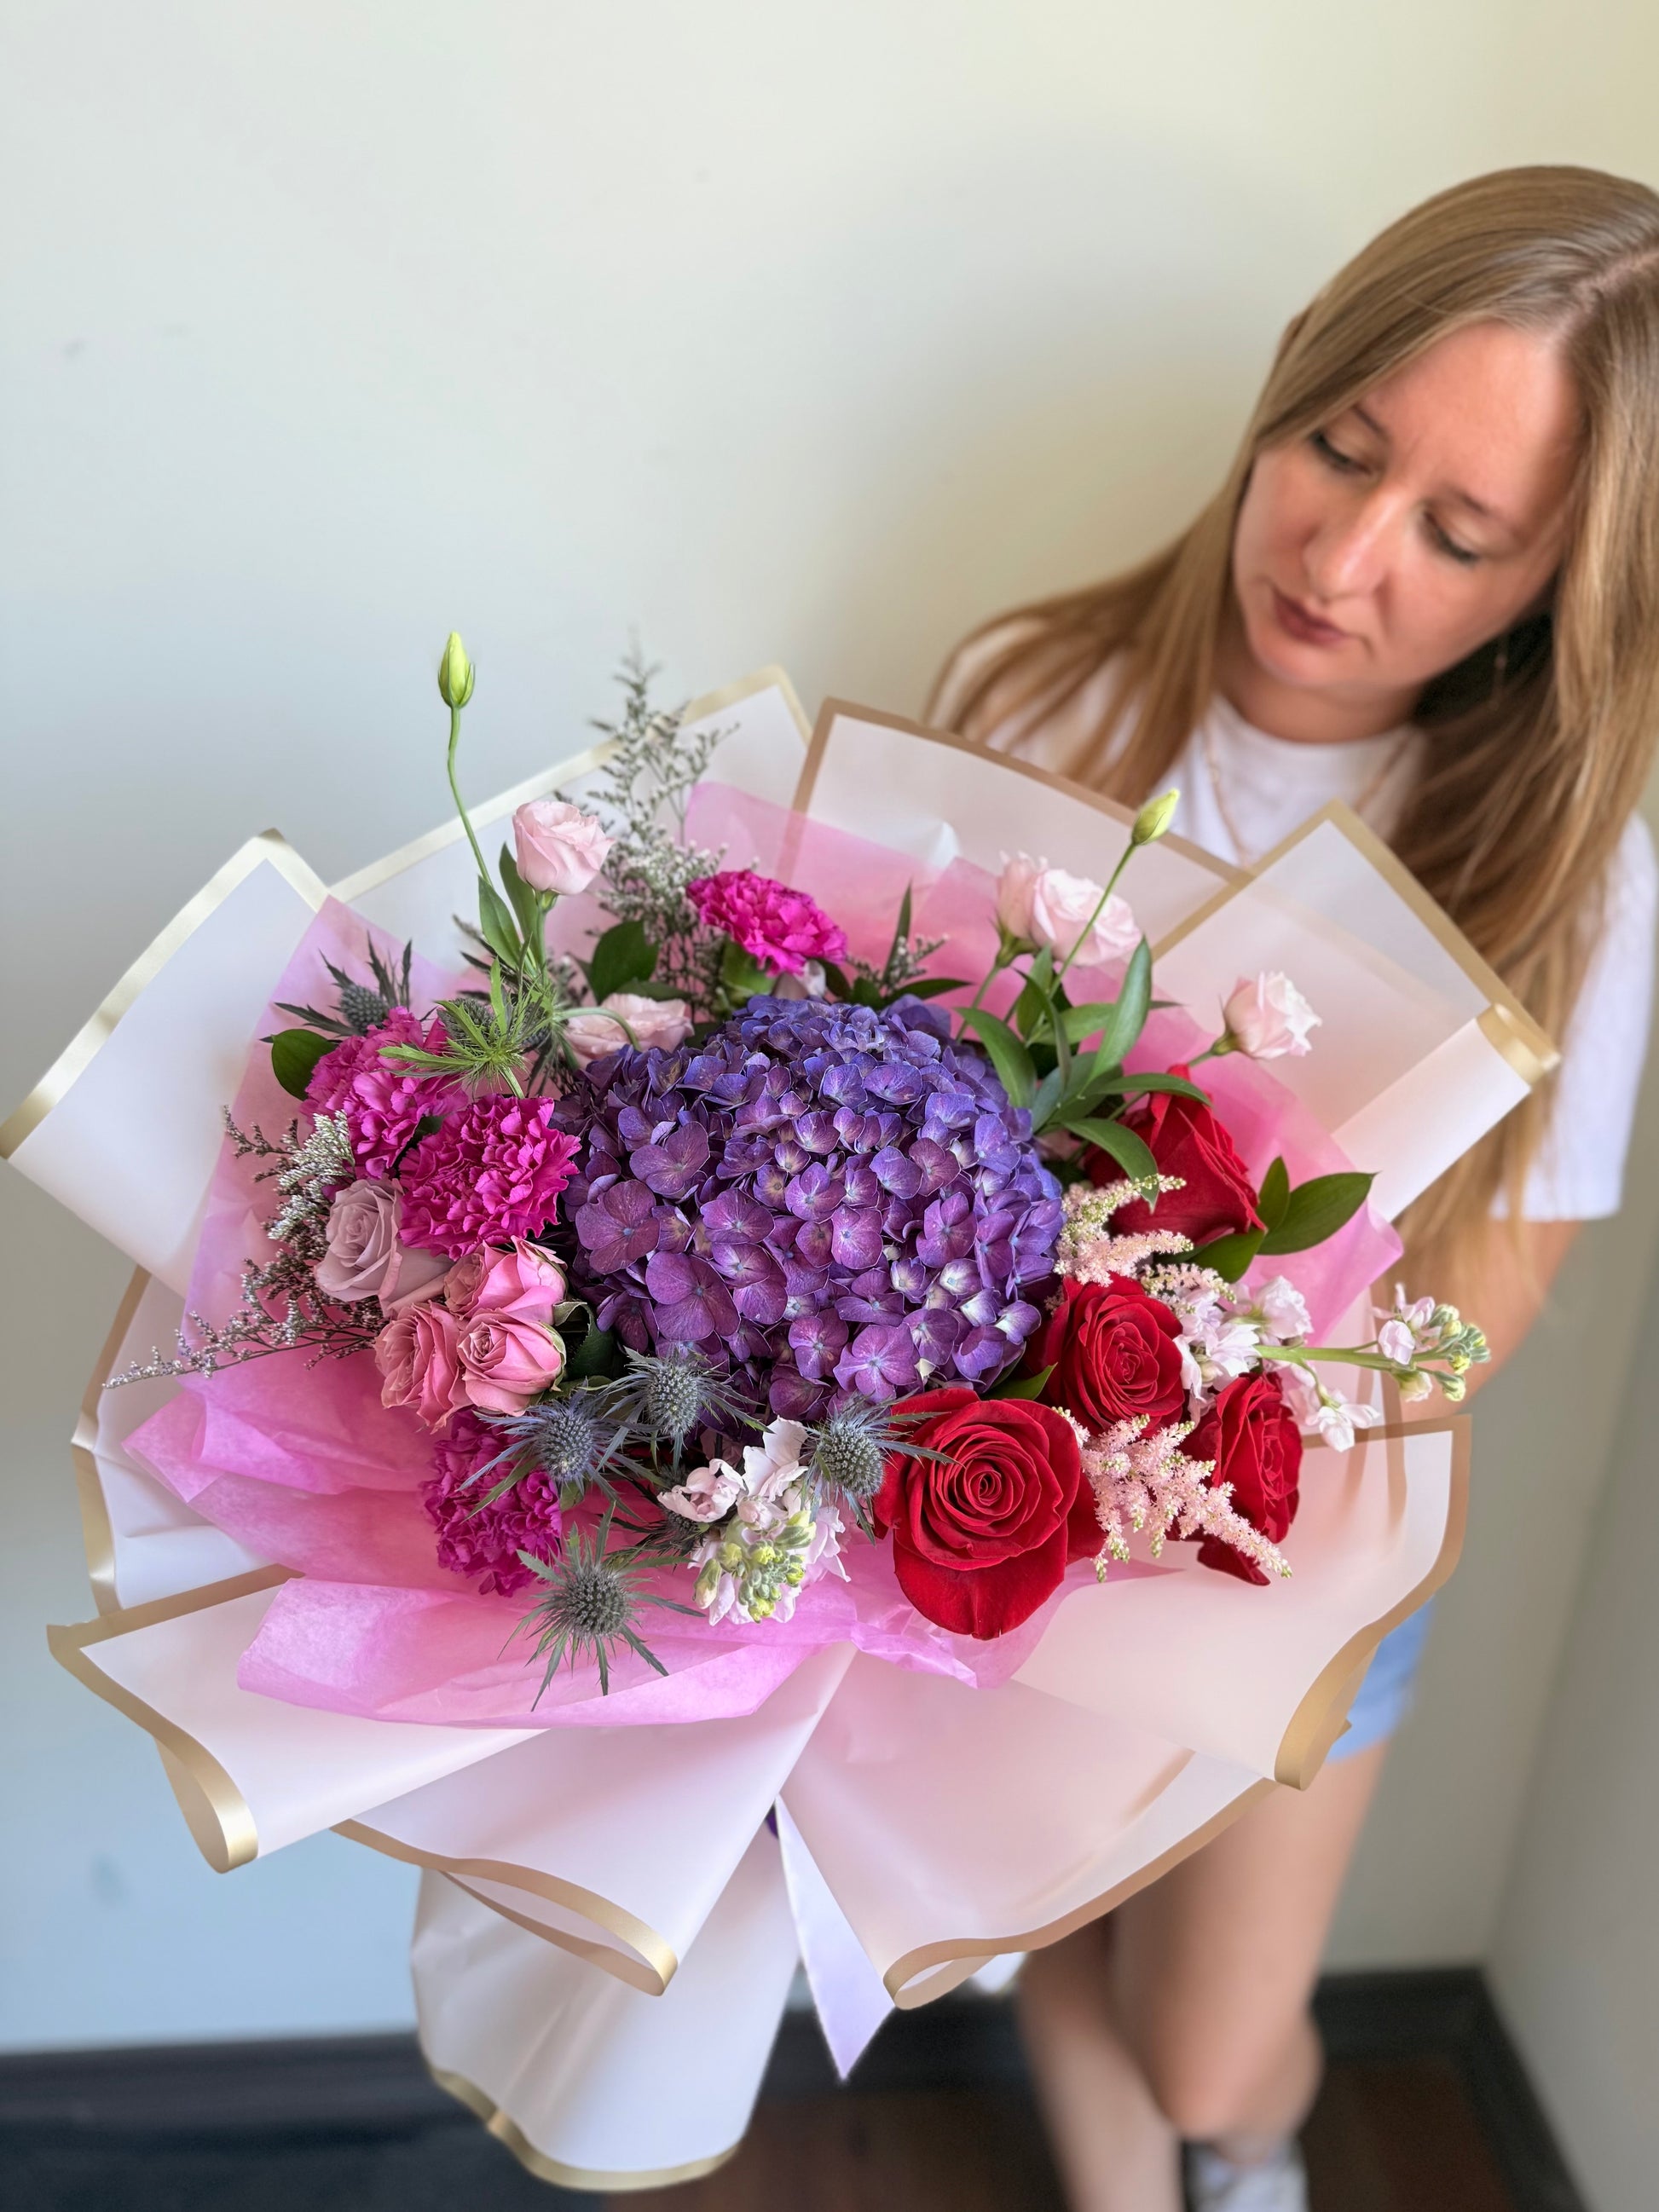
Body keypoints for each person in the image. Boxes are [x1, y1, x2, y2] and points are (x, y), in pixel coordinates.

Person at [928, 165, 1659, 2212]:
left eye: (1456, 533)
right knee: (1027, 1906)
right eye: (1338, 445)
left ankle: (1238, 2138)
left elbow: (1496, 1275)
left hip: (1301, 1541)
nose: (1340, 555)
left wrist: (1218, 1473)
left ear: (1556, 591)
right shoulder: (1033, 700)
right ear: (1287, 386)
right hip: (990, 1480)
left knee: (1205, 2027)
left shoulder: (1574, 881)